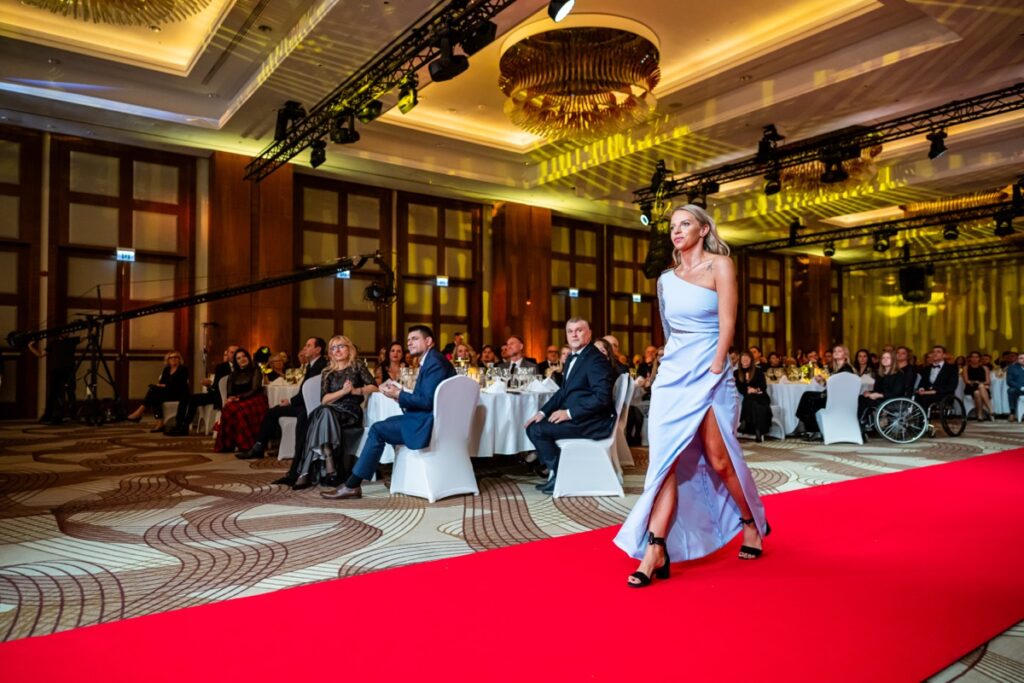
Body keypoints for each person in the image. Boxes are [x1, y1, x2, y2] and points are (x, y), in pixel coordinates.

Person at [614, 204, 768, 588]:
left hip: (710, 370)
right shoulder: (666, 279)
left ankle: (751, 522)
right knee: (664, 461)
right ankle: (655, 548)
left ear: (703, 230)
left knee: (719, 459)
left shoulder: (721, 266)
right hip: (673, 375)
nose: (677, 231)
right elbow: (669, 333)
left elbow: (728, 323)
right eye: (673, 227)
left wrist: (716, 368)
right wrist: (665, 370)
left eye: (685, 224)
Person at [321, 325, 454, 500]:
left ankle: (352, 485)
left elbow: (427, 401)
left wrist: (399, 394)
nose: (409, 343)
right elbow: (427, 397)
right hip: (433, 419)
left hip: (427, 423)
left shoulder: (434, 363)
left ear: (428, 341)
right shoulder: (433, 360)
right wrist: (399, 396)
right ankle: (400, 476)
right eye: (408, 340)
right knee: (388, 422)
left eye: (415, 339)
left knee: (377, 429)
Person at [524, 317, 616, 494]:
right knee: (534, 425)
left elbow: (602, 398)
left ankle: (561, 475)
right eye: (570, 331)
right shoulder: (575, 358)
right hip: (583, 418)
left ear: (589, 334)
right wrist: (542, 413)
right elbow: (563, 392)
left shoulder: (595, 360)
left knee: (537, 430)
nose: (574, 334)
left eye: (579, 330)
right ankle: (559, 473)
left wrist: (569, 413)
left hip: (592, 422)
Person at [292, 336, 377, 489]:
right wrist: (343, 391)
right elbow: (324, 400)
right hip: (331, 410)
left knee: (320, 414)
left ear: (349, 349)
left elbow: (374, 386)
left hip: (350, 412)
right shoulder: (327, 371)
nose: (337, 350)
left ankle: (307, 470)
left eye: (341, 346)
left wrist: (356, 390)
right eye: (333, 348)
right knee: (324, 411)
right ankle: (329, 460)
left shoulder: (357, 366)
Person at [239, 337, 327, 462]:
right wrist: (290, 401)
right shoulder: (313, 365)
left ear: (318, 350)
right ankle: (268, 446)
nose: (305, 348)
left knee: (272, 412)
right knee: (274, 411)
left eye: (308, 346)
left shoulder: (320, 366)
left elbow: (310, 391)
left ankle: (259, 447)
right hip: (304, 404)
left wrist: (290, 401)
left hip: (309, 407)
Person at [167, 344, 237, 436]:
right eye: (232, 352)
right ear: (228, 354)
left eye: (236, 352)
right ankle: (180, 425)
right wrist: (209, 385)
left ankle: (183, 426)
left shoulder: (241, 366)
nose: (234, 355)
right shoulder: (221, 367)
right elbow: (216, 385)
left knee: (192, 399)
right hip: (216, 394)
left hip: (228, 396)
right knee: (187, 398)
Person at [214, 348, 268, 453]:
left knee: (240, 410)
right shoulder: (233, 375)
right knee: (228, 408)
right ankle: (228, 444)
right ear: (236, 361)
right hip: (238, 399)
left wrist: (240, 398)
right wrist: (230, 398)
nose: (242, 359)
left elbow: (255, 389)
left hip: (254, 399)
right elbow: (230, 392)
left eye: (244, 356)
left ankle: (246, 444)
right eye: (238, 358)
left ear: (248, 357)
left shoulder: (256, 370)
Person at [796, 344, 854, 440]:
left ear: (845, 355)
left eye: (839, 351)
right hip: (833, 396)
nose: (836, 353)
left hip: (838, 400)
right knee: (808, 395)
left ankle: (811, 428)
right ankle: (809, 427)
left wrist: (825, 382)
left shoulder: (846, 369)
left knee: (809, 397)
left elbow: (841, 387)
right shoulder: (837, 368)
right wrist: (823, 381)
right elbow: (832, 384)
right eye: (835, 351)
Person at [126, 350, 189, 432]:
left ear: (179, 359)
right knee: (154, 392)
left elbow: (180, 384)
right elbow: (162, 382)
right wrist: (161, 386)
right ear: (168, 360)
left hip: (179, 393)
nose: (173, 359)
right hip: (168, 392)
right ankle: (157, 421)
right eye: (171, 357)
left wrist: (165, 386)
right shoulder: (167, 370)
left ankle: (144, 415)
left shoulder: (183, 369)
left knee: (153, 392)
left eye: (175, 357)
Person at [28, 335, 80, 425]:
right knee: (54, 393)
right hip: (57, 371)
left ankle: (73, 414)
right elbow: (41, 355)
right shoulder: (53, 343)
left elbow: (87, 336)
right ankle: (50, 414)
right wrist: (30, 346)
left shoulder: (72, 340)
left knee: (71, 392)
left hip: (69, 370)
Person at [858, 350, 906, 420]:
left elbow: (896, 392)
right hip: (881, 398)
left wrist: (879, 395)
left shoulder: (899, 374)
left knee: (867, 402)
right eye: (883, 358)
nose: (885, 360)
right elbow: (877, 390)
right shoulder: (880, 374)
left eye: (888, 358)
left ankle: (862, 421)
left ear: (893, 360)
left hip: (893, 400)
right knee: (860, 398)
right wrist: (869, 392)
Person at [735, 351, 771, 442]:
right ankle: (758, 431)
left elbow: (763, 386)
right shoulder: (736, 373)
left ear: (751, 360)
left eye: (747, 357)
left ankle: (744, 421)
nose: (745, 359)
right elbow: (740, 388)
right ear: (740, 360)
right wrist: (747, 389)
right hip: (749, 398)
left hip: (761, 396)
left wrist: (755, 390)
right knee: (755, 404)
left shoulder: (758, 371)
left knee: (751, 398)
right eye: (743, 357)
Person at [916, 344, 958, 413]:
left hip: (943, 395)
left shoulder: (951, 368)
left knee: (924, 399)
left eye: (938, 352)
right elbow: (922, 382)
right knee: (915, 396)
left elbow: (952, 386)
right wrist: (921, 388)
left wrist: (935, 391)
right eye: (933, 352)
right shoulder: (927, 368)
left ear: (944, 355)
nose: (935, 354)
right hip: (926, 394)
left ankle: (923, 418)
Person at [962, 350, 993, 421]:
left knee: (977, 392)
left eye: (976, 357)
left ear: (979, 358)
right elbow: (966, 381)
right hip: (970, 388)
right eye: (972, 357)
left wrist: (978, 383)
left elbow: (988, 381)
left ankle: (979, 414)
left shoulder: (985, 368)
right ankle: (990, 409)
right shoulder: (966, 368)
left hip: (983, 389)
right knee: (980, 387)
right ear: (970, 358)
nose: (974, 359)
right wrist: (976, 382)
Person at [1006, 352, 1024, 422]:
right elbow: (1009, 381)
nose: (1023, 360)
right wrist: (1021, 387)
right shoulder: (1012, 368)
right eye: (1021, 358)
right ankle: (1012, 413)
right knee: (1011, 390)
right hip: (1019, 390)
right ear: (1017, 360)